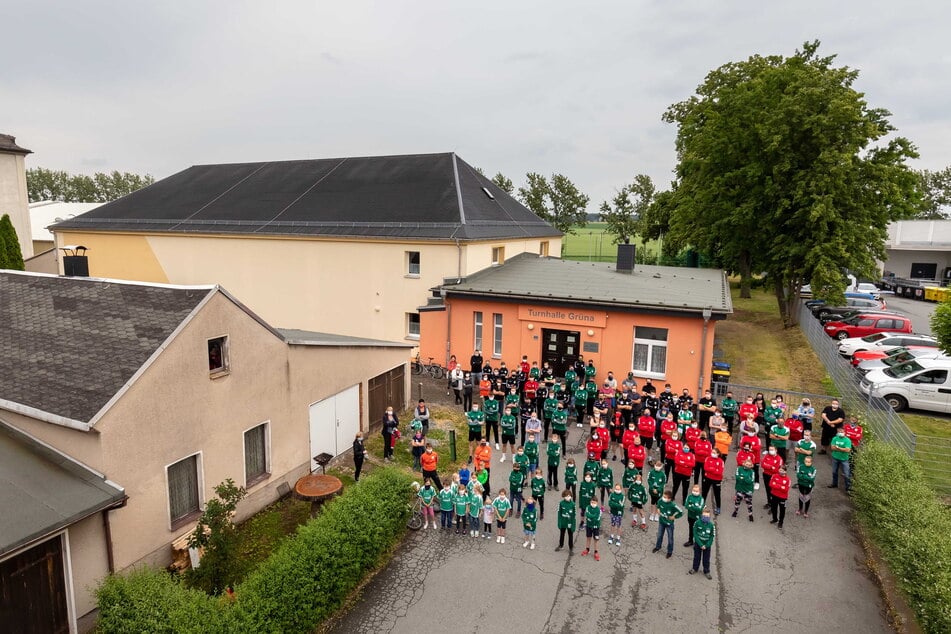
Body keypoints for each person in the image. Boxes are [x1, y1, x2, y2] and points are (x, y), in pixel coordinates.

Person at [652, 490, 684, 559]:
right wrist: (658, 509)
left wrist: (674, 517)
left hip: (669, 524)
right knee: (659, 535)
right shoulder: (660, 501)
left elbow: (681, 512)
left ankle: (669, 552)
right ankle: (658, 547)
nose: (663, 498)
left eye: (665, 497)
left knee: (670, 538)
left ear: (669, 499)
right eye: (663, 496)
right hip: (661, 522)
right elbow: (658, 505)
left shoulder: (672, 505)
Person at [689, 508, 716, 580]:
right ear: (701, 515)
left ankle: (706, 571)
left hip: (707, 545)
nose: (705, 518)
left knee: (706, 559)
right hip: (698, 544)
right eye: (704, 516)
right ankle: (695, 568)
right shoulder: (697, 523)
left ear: (709, 517)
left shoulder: (711, 525)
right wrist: (700, 544)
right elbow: (695, 534)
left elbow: (712, 536)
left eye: (707, 516)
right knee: (696, 557)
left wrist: (707, 545)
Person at [731, 458, 756, 522]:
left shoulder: (752, 472)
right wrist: (746, 478)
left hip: (748, 490)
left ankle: (750, 515)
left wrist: (742, 478)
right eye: (746, 464)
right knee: (737, 501)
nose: (747, 466)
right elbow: (737, 477)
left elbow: (751, 481)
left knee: (749, 504)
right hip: (740, 489)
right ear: (744, 463)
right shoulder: (739, 469)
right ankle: (735, 512)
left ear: (751, 466)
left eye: (749, 465)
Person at [702, 448, 724, 514]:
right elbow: (705, 468)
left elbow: (719, 472)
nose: (712, 453)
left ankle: (718, 507)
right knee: (704, 492)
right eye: (712, 452)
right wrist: (714, 469)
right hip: (708, 478)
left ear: (718, 454)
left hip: (717, 480)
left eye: (714, 453)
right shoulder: (708, 459)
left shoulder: (721, 461)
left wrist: (711, 469)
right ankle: (702, 505)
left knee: (717, 494)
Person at [761, 446, 783, 511]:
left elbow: (776, 469)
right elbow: (762, 464)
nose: (771, 451)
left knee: (773, 491)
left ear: (776, 450)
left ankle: (774, 506)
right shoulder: (766, 456)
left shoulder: (779, 459)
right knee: (767, 489)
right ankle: (769, 503)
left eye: (772, 449)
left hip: (774, 477)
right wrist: (771, 467)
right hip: (766, 475)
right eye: (770, 449)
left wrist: (767, 466)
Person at [556, 488, 576, 553]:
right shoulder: (561, 503)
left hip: (570, 522)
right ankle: (561, 545)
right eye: (566, 496)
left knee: (570, 535)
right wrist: (559, 522)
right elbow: (559, 513)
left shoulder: (573, 504)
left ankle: (571, 548)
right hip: (563, 522)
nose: (568, 497)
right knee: (562, 534)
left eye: (569, 496)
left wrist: (573, 524)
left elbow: (574, 515)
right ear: (564, 496)